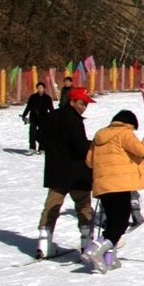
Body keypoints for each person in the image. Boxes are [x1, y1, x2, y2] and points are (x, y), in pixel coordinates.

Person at [83, 110, 144, 271]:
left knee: (112, 222)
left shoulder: (99, 135)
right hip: (120, 184)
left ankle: (109, 257)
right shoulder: (124, 133)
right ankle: (95, 249)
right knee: (121, 222)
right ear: (129, 124)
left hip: (102, 185)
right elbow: (140, 150)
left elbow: (89, 161)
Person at [36, 87, 96, 258]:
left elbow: (40, 138)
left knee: (51, 206)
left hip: (56, 170)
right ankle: (86, 243)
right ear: (72, 101)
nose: (84, 107)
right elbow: (79, 148)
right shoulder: (75, 120)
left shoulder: (52, 116)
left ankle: (43, 242)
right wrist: (90, 145)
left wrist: (56, 149)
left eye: (86, 104)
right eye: (82, 103)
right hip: (77, 172)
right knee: (83, 206)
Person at [20, 81, 55, 155]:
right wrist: (24, 115)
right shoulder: (33, 97)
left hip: (43, 118)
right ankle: (32, 148)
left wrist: (53, 116)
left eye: (41, 88)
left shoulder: (47, 98)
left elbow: (51, 109)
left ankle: (42, 148)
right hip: (33, 118)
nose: (40, 89)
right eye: (38, 88)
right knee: (32, 132)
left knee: (42, 133)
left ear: (44, 89)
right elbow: (28, 107)